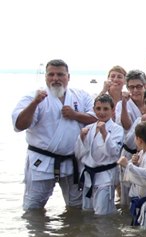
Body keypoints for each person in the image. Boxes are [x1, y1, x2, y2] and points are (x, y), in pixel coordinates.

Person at [13, 59, 96, 210]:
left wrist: (75, 115)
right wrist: (34, 103)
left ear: (68, 77)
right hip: (42, 161)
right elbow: (19, 125)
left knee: (77, 208)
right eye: (51, 74)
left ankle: (72, 233)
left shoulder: (81, 95)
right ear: (45, 77)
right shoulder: (34, 96)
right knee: (33, 208)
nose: (55, 78)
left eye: (60, 74)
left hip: (72, 162)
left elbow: (97, 118)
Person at [76, 94, 123, 215]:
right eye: (98, 109)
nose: (102, 112)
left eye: (106, 109)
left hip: (106, 177)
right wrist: (81, 138)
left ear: (113, 110)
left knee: (103, 214)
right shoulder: (88, 128)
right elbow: (78, 153)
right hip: (88, 176)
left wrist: (104, 133)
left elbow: (114, 152)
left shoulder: (117, 129)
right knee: (87, 212)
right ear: (94, 109)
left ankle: (106, 234)